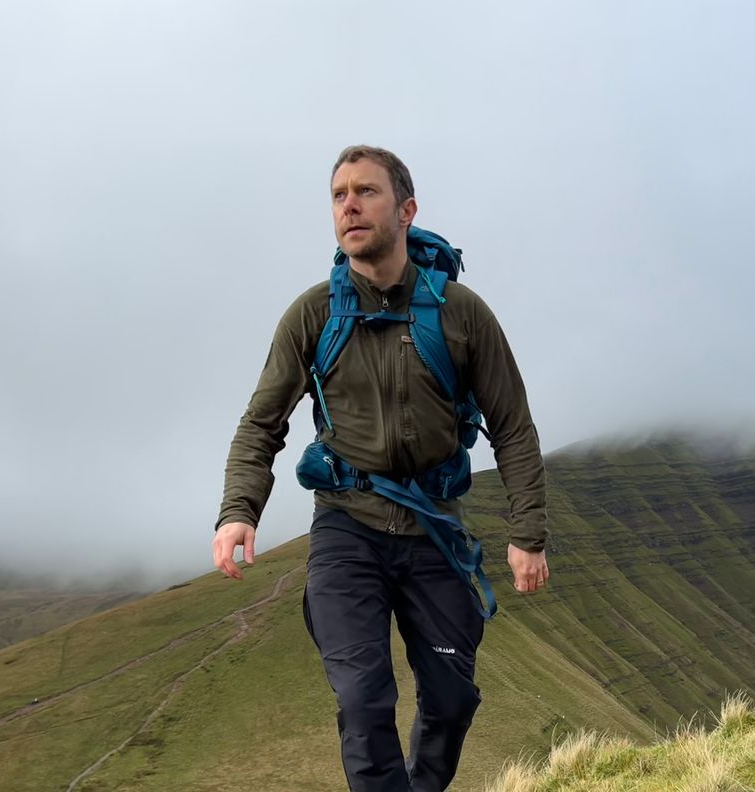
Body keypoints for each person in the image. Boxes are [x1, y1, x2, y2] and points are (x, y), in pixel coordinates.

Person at [211, 145, 549, 792]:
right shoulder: (314, 315)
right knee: (364, 703)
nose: (350, 206)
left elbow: (513, 427)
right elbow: (262, 423)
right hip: (346, 529)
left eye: (366, 192)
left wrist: (527, 533)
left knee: (451, 703)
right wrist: (237, 512)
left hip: (434, 530)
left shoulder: (460, 314)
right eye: (338, 195)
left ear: (407, 209)